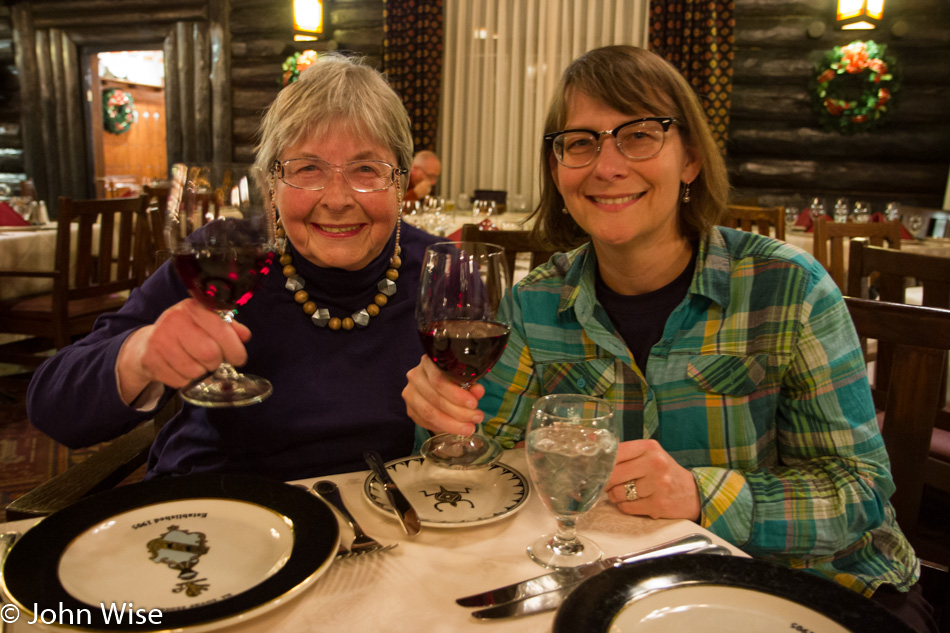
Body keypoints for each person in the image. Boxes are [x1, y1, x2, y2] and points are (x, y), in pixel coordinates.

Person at [403, 45, 935, 631]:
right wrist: (445, 416)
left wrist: (702, 493)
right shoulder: (535, 303)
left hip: (825, 586)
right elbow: (492, 467)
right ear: (557, 169)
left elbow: (859, 491)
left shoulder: (788, 287)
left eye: (638, 135)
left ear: (690, 160)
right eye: (580, 142)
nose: (606, 166)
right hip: (644, 594)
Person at [27, 53, 442, 480]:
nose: (336, 199)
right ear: (272, 182)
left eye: (366, 169)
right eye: (308, 168)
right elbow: (53, 409)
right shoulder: (223, 257)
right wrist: (139, 357)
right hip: (217, 510)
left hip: (384, 516)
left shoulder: (438, 270)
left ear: (401, 182)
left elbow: (491, 427)